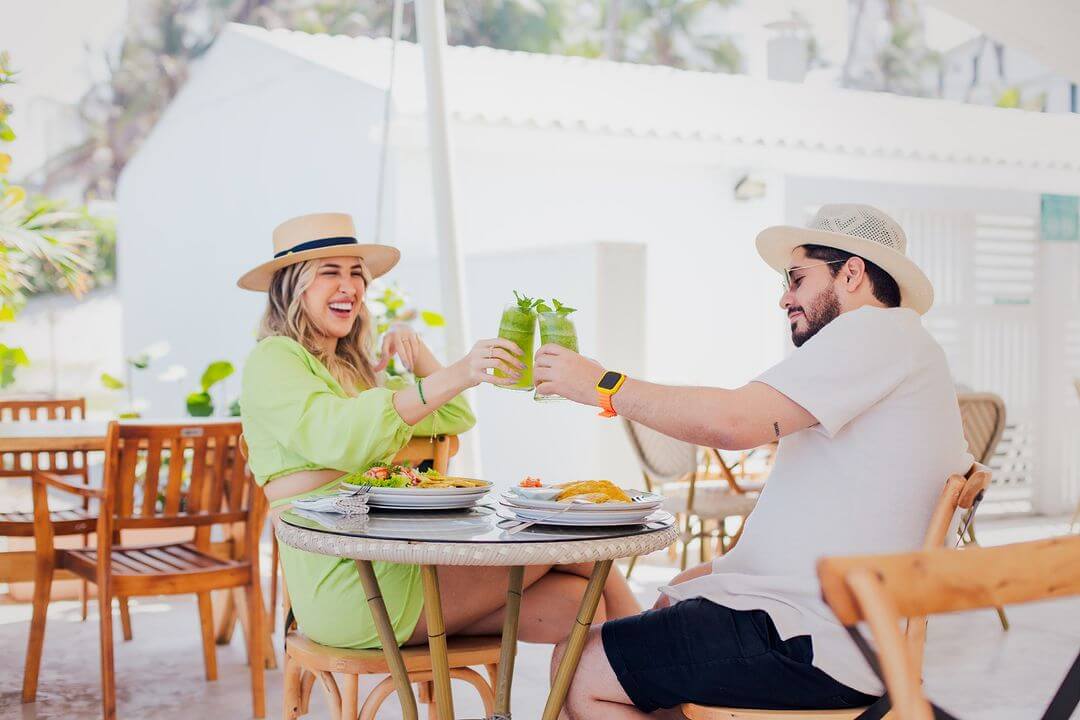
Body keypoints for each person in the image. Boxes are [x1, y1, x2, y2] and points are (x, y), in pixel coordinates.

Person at [533, 204, 974, 718]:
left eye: (797, 278)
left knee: (578, 664)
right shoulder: (897, 345)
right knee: (653, 619)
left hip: (820, 643)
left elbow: (734, 422)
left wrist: (603, 385)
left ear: (851, 273)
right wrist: (707, 577)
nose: (785, 297)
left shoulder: (875, 332)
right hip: (848, 637)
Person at [239, 212, 640, 652]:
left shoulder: (358, 372)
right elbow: (340, 437)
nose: (350, 286)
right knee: (579, 546)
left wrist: (420, 355)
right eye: (329, 273)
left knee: (580, 607)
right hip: (348, 583)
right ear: (291, 288)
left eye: (357, 274)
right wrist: (463, 370)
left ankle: (631, 687)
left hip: (399, 560)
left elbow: (456, 416)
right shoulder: (275, 359)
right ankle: (660, 663)